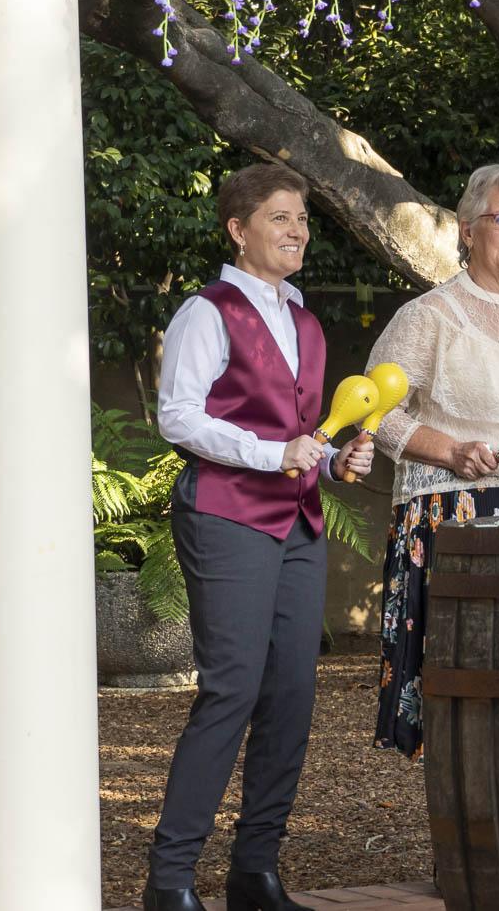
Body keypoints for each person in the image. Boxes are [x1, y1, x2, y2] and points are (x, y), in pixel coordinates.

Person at [145, 163, 375, 911]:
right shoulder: (206, 312)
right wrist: (272, 454)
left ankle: (254, 872)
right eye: (280, 217)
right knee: (232, 690)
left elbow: (304, 435)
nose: (297, 230)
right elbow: (178, 416)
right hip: (226, 515)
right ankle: (170, 881)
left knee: (292, 694)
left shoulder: (305, 321)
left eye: (302, 218)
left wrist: (336, 460)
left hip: (299, 521)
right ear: (238, 230)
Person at [365, 163, 499, 756]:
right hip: (453, 524)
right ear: (468, 229)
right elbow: (376, 412)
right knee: (461, 710)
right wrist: (450, 450)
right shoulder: (429, 315)